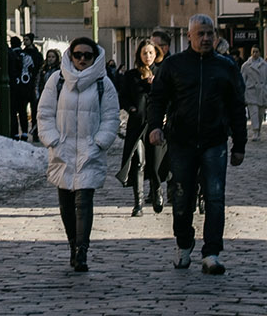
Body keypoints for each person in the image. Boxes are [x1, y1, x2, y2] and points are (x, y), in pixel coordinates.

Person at [146, 15, 248, 275]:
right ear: (189, 36)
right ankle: (183, 243)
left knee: (215, 197)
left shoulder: (226, 67)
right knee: (182, 196)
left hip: (215, 141)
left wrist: (239, 144)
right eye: (200, 34)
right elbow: (157, 98)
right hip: (182, 140)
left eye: (209, 34)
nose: (205, 38)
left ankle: (211, 252)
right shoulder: (174, 65)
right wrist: (155, 125)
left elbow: (237, 106)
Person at [38, 38, 119, 274]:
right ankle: (72, 244)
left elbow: (111, 117)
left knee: (84, 201)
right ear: (70, 55)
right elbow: (44, 113)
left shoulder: (104, 83)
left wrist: (100, 143)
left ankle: (82, 251)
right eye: (77, 54)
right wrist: (52, 139)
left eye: (87, 55)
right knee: (65, 202)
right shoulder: (58, 80)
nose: (82, 59)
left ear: (95, 57)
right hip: (62, 148)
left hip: (89, 149)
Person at [117, 38, 168, 216]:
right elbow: (122, 96)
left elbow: (169, 97)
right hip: (137, 125)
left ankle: (156, 191)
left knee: (154, 163)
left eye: (151, 53)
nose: (147, 56)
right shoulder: (131, 75)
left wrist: (166, 114)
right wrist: (130, 107)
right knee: (138, 161)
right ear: (139, 54)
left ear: (156, 54)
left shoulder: (162, 73)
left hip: (155, 124)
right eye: (144, 53)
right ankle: (138, 203)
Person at [239, 48, 267, 142]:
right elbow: (242, 79)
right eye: (253, 51)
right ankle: (255, 131)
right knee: (253, 112)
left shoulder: (265, 65)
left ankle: (259, 130)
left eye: (257, 51)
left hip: (262, 92)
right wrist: (244, 90)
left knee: (260, 114)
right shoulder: (246, 65)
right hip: (251, 91)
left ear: (260, 52)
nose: (255, 53)